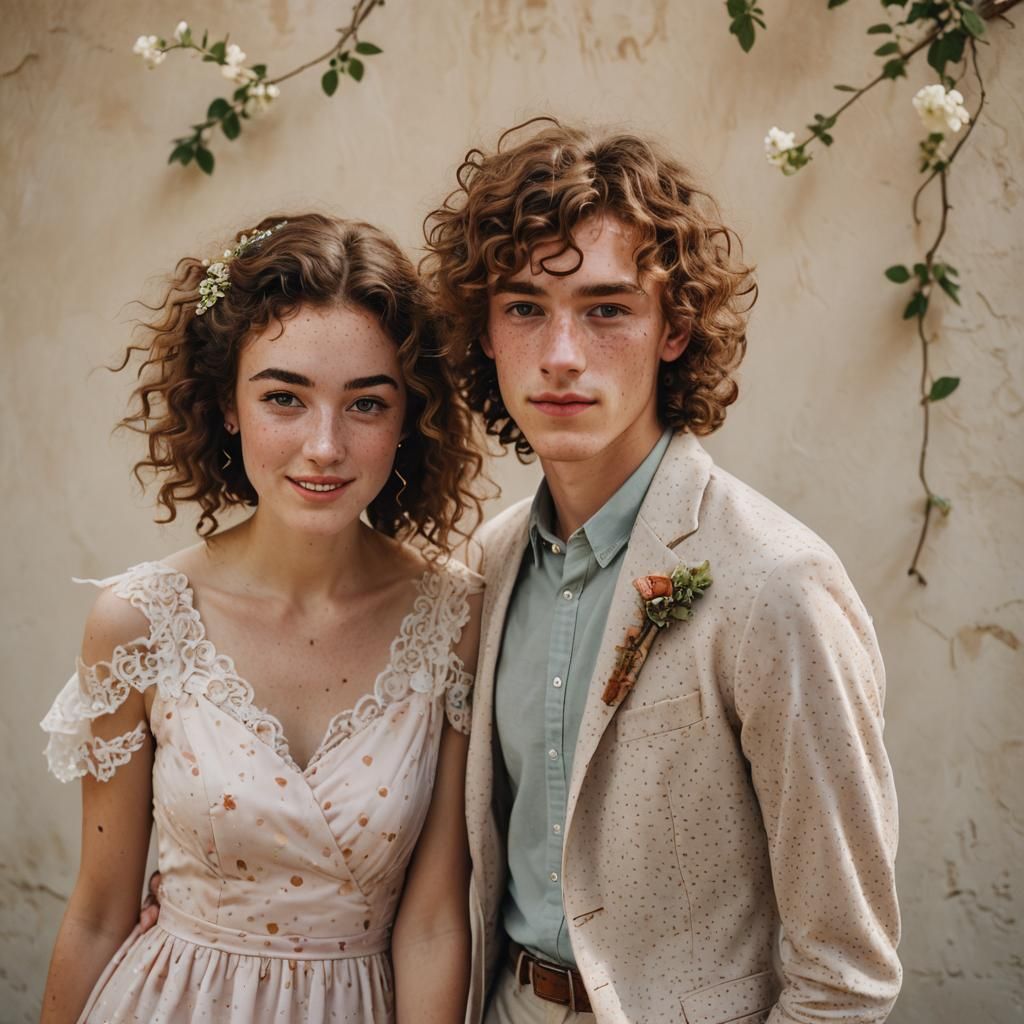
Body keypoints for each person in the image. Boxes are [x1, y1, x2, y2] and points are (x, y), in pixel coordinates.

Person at [421, 119, 902, 1024]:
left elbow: (845, 972)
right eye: (525, 307)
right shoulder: (484, 565)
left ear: (673, 329)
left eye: (606, 310)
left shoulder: (775, 582)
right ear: (484, 332)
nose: (561, 354)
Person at [39, 214, 484, 1024]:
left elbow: (432, 923)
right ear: (228, 406)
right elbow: (101, 912)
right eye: (285, 397)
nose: (324, 446)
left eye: (366, 404)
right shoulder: (137, 623)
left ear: (407, 417)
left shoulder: (456, 616)